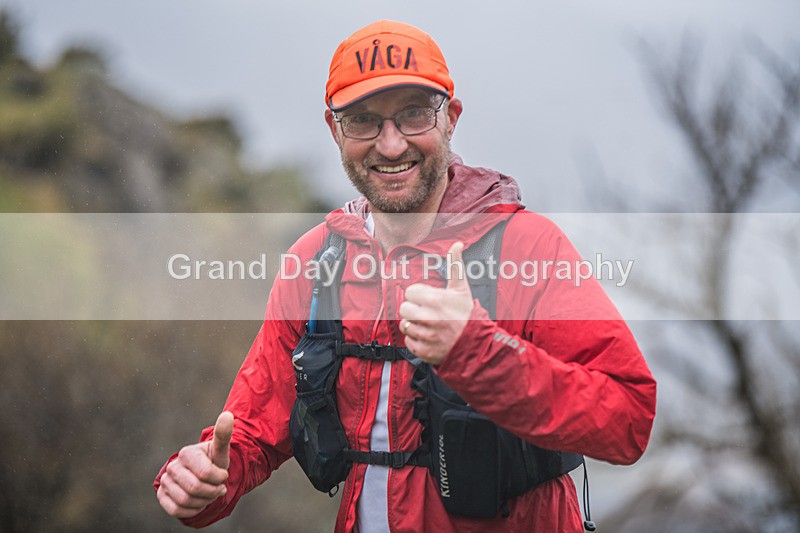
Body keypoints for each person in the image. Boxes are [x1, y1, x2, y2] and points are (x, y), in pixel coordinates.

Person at [154, 20, 656, 532]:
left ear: (451, 119)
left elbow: (629, 419)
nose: (391, 145)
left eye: (414, 114)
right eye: (364, 120)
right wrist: (211, 478)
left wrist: (478, 353)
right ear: (334, 130)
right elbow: (252, 431)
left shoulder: (528, 248)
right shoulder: (315, 262)